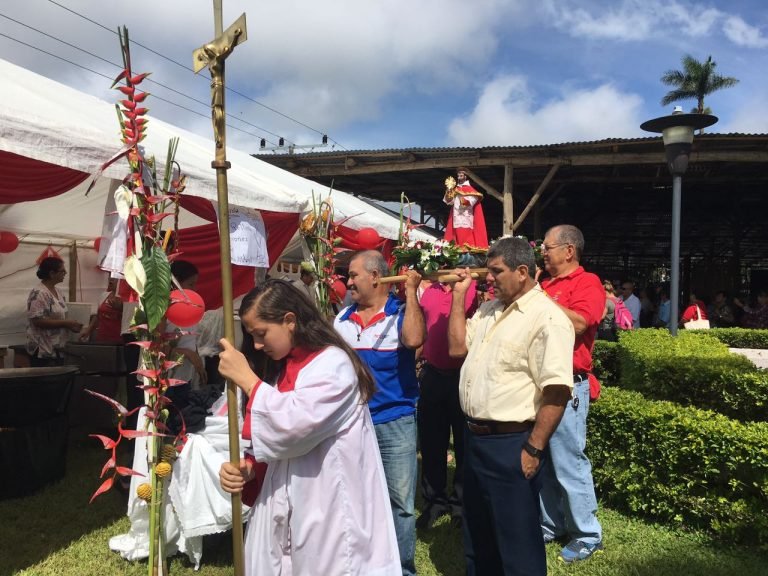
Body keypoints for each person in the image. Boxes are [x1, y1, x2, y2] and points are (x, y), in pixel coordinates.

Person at [218, 279, 400, 575]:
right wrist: (249, 468)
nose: (257, 345)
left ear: (289, 320)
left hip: (327, 504)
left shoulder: (333, 365)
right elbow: (272, 439)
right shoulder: (283, 368)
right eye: (252, 336)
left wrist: (249, 381)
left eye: (261, 334)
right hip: (286, 501)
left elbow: (294, 426)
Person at [447, 237, 574, 576]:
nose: (488, 278)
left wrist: (533, 448)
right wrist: (459, 298)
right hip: (474, 438)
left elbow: (558, 391)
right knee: (478, 535)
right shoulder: (489, 310)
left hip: (511, 443)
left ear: (522, 272)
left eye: (495, 272)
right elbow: (457, 348)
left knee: (517, 542)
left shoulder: (546, 318)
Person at [334, 250, 425, 576]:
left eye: (354, 275)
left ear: (376, 277)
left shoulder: (401, 314)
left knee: (400, 504)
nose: (348, 281)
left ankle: (402, 570)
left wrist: (412, 293)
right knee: (358, 499)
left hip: (394, 422)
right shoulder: (341, 319)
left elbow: (415, 339)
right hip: (353, 424)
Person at [538, 225, 605, 563]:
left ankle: (587, 534)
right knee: (544, 460)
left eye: (547, 247)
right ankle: (551, 524)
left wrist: (537, 299)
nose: (543, 253)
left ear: (569, 251)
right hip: (541, 383)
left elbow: (580, 323)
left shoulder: (587, 283)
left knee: (568, 460)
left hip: (568, 384)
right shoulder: (544, 284)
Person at [416, 276, 477, 530]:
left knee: (463, 442)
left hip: (461, 374)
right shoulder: (429, 291)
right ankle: (435, 500)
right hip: (433, 374)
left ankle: (461, 504)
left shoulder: (470, 286)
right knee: (431, 442)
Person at [26, 256, 83, 366]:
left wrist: (71, 325)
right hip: (43, 350)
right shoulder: (39, 293)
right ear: (52, 273)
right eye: (62, 271)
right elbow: (37, 321)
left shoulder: (58, 292)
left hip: (57, 348)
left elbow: (59, 317)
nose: (65, 273)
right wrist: (66, 323)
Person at [443, 168, 489, 249]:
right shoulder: (455, 189)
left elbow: (470, 203)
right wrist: (449, 191)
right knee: (455, 237)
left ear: (465, 176)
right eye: (458, 175)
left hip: (466, 217)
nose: (459, 177)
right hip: (456, 217)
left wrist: (461, 198)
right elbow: (448, 201)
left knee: (466, 238)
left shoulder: (471, 191)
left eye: (461, 175)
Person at [79, 277, 123, 343]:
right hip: (102, 337)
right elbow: (97, 316)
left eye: (115, 277)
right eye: (110, 277)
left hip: (118, 339)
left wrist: (120, 309)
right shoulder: (104, 295)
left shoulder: (127, 298)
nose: (111, 279)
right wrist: (88, 331)